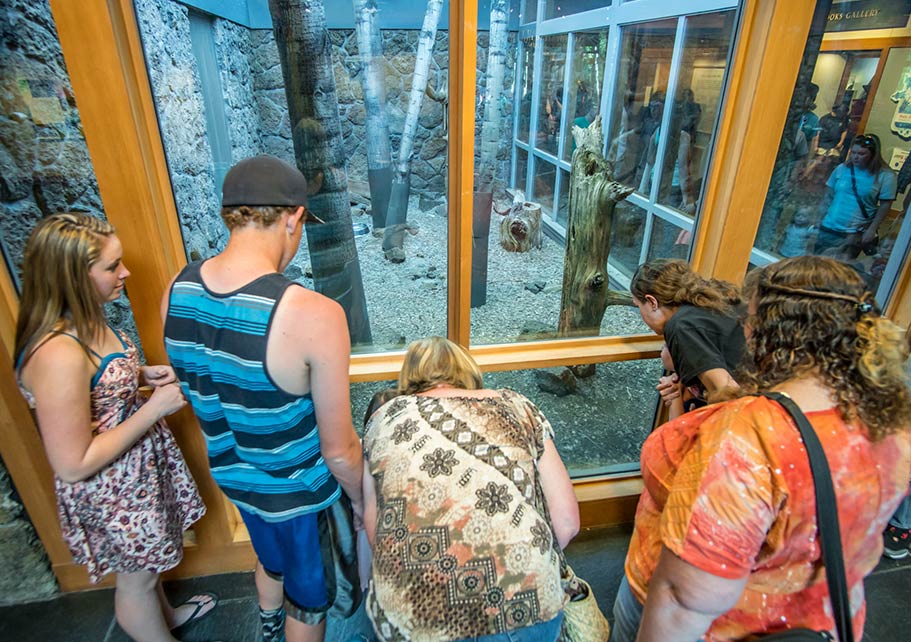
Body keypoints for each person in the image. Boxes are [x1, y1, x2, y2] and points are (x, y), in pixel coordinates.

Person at [631, 256, 911, 642]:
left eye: (748, 319)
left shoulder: (749, 435)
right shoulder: (892, 418)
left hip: (730, 625)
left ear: (769, 331)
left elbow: (687, 596)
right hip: (825, 615)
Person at [162, 155, 365, 642]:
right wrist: (363, 501)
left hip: (237, 482)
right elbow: (339, 450)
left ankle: (268, 627)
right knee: (310, 601)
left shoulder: (178, 287)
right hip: (301, 498)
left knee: (269, 560)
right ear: (293, 217)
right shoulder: (314, 313)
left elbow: (195, 386)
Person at [14, 213, 209, 642]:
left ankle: (167, 616)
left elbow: (95, 387)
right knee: (135, 580)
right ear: (73, 277)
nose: (126, 272)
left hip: (134, 475)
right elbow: (72, 464)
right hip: (110, 492)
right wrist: (154, 409)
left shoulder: (87, 319)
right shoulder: (56, 354)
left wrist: (139, 376)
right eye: (111, 267)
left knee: (149, 567)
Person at [362, 336, 580, 642]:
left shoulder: (385, 418)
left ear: (410, 376)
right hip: (530, 604)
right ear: (467, 371)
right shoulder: (519, 406)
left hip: (422, 614)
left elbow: (377, 531)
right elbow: (567, 524)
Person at [630, 259, 745, 411]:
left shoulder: (681, 326)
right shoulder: (708, 307)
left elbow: (728, 392)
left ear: (652, 302)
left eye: (638, 306)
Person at [814, 132, 897, 259]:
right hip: (829, 225)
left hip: (853, 232)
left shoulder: (885, 176)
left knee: (839, 270)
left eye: (861, 154)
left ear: (873, 155)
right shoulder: (842, 168)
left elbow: (885, 205)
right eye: (853, 152)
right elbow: (828, 196)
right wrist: (819, 218)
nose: (855, 157)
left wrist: (871, 229)